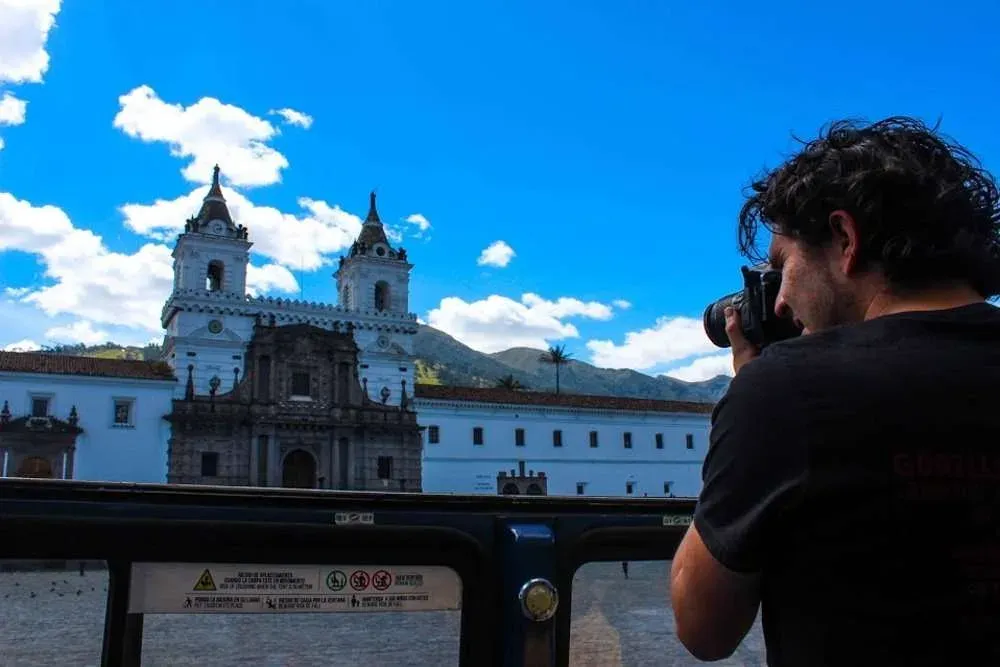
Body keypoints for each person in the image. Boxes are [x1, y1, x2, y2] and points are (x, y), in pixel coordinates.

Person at [669, 116, 1000, 666]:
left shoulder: (784, 390)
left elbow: (703, 629)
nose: (778, 304)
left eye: (782, 267)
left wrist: (749, 390)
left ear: (845, 240)